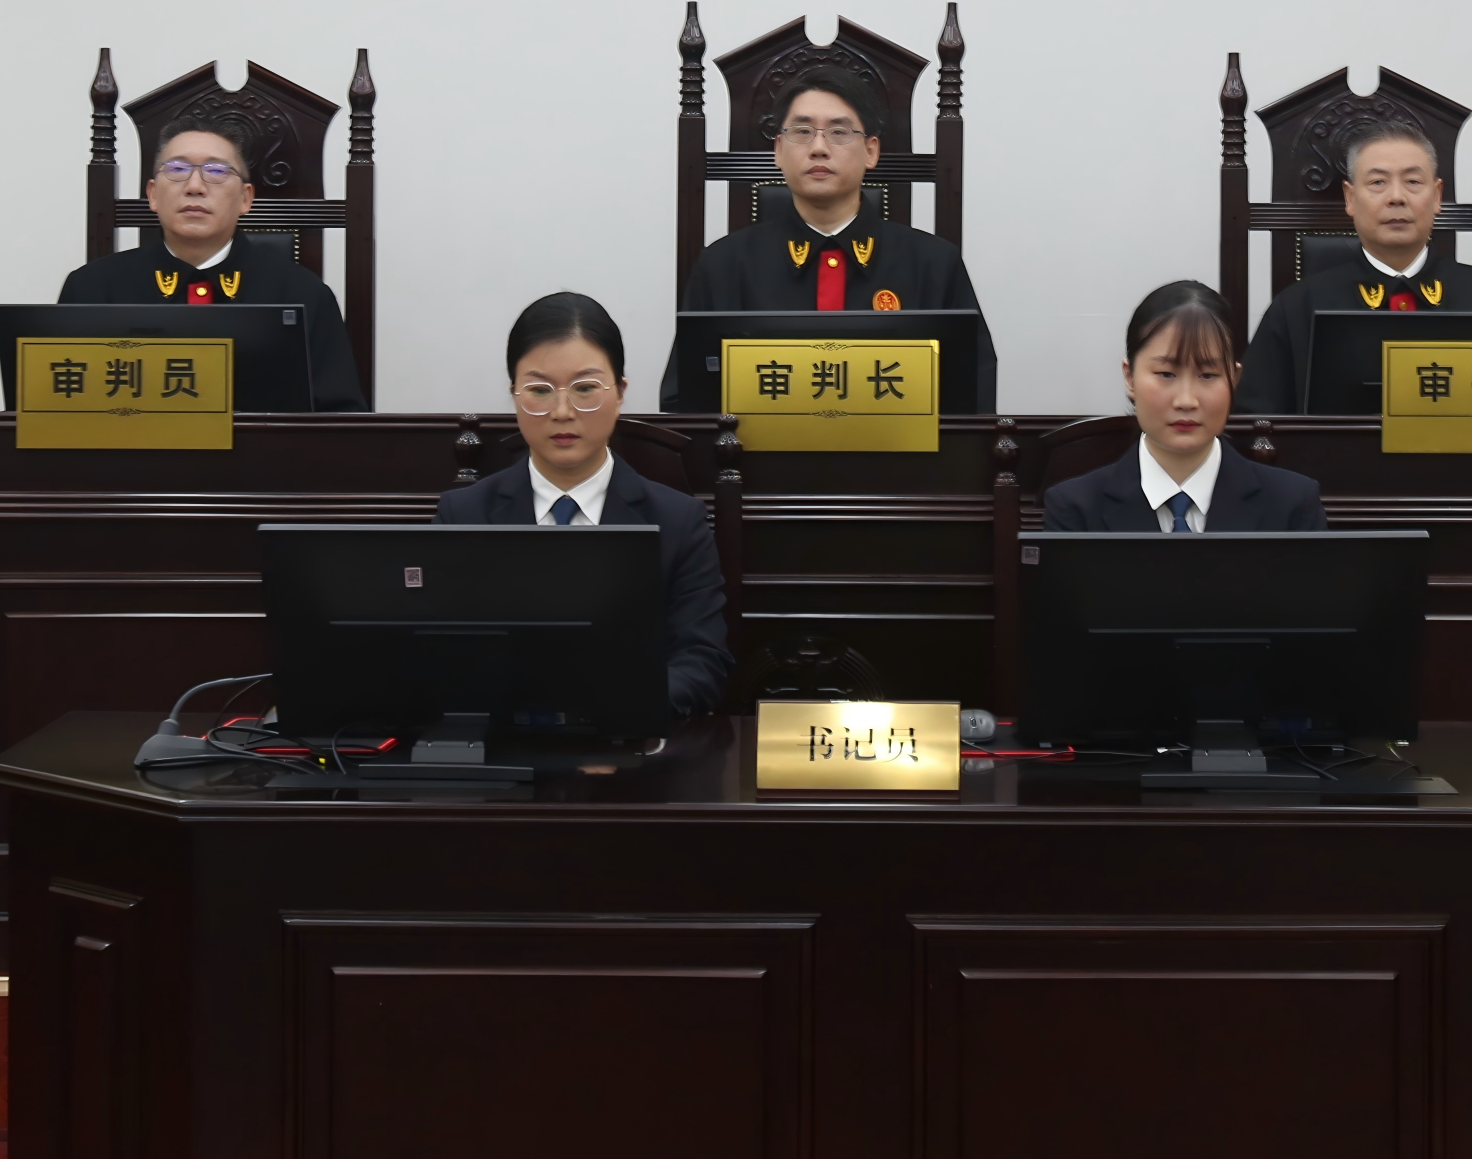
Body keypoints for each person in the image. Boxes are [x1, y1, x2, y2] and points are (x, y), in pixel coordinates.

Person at [436, 291, 733, 717]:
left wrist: (620, 710)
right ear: (514, 393)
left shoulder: (677, 521)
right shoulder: (463, 517)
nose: (562, 411)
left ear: (621, 391)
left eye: (586, 388)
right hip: (503, 744)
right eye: (539, 390)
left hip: (629, 741)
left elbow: (703, 661)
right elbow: (441, 655)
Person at [666, 63, 995, 406]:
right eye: (802, 131)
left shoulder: (934, 264)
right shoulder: (723, 266)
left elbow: (973, 400)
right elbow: (684, 402)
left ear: (871, 151)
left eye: (839, 132)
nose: (819, 148)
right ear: (778, 150)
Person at [55, 114, 369, 412]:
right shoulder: (92, 288)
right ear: (152, 194)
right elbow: (57, 410)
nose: (195, 186)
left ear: (246, 198)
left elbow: (341, 423)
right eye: (177, 169)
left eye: (217, 171)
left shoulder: (304, 295)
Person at [1236, 121, 1472, 416]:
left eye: (1413, 181)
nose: (1396, 197)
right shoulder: (1296, 308)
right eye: (1378, 182)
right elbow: (1256, 424)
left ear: (1437, 196)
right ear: (1350, 198)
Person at [1043, 280, 1327, 532]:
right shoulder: (1075, 509)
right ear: (1129, 377)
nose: (1187, 401)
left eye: (1208, 375)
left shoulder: (1291, 504)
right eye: (1166, 374)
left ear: (1234, 379)